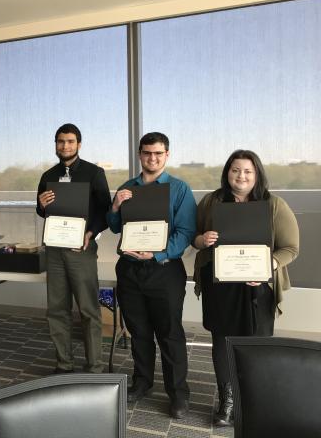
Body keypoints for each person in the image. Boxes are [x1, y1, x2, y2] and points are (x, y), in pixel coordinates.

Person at [192, 149, 299, 426]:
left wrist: (269, 266)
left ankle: (255, 401)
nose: (241, 176)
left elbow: (290, 248)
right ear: (227, 172)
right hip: (220, 287)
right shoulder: (211, 201)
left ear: (257, 174)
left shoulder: (273, 204)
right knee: (221, 344)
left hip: (257, 287)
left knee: (256, 344)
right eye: (235, 170)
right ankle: (227, 402)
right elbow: (195, 238)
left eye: (247, 171)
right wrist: (203, 240)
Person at [107, 132, 196, 419]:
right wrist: (116, 207)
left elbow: (186, 233)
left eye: (158, 153)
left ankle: (178, 394)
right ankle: (142, 382)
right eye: (147, 153)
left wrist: (157, 254)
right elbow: (114, 227)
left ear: (166, 155)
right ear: (139, 154)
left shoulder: (179, 189)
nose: (152, 158)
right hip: (131, 270)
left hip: (164, 270)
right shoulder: (126, 187)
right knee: (139, 332)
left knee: (170, 334)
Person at [36, 123, 111, 373]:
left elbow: (105, 211)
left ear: (79, 144)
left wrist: (91, 233)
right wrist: (41, 203)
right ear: (55, 144)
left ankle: (95, 368)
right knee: (57, 309)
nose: (64, 146)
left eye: (69, 141)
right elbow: (41, 211)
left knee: (89, 309)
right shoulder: (47, 175)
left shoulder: (94, 173)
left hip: (82, 250)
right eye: (60, 141)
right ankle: (64, 364)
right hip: (55, 250)